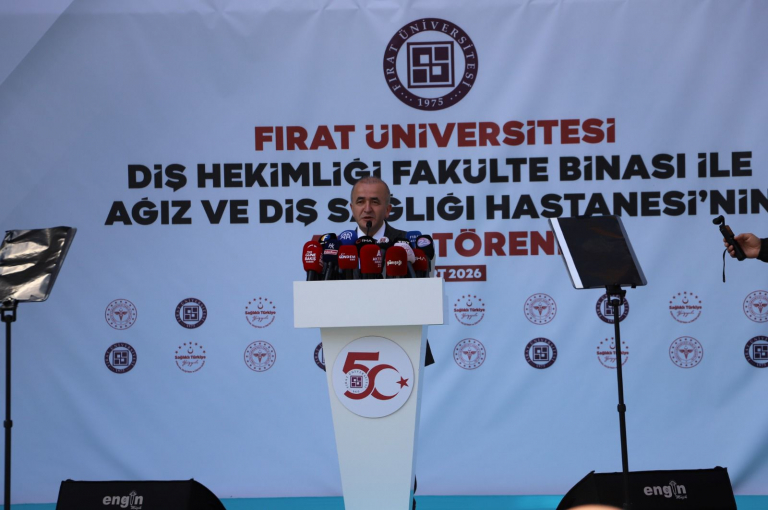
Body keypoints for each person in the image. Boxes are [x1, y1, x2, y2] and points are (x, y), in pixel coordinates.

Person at [349, 175, 405, 241]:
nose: (367, 209)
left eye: (374, 202)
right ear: (352, 209)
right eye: (360, 202)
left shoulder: (408, 242)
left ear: (387, 210)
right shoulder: (341, 244)